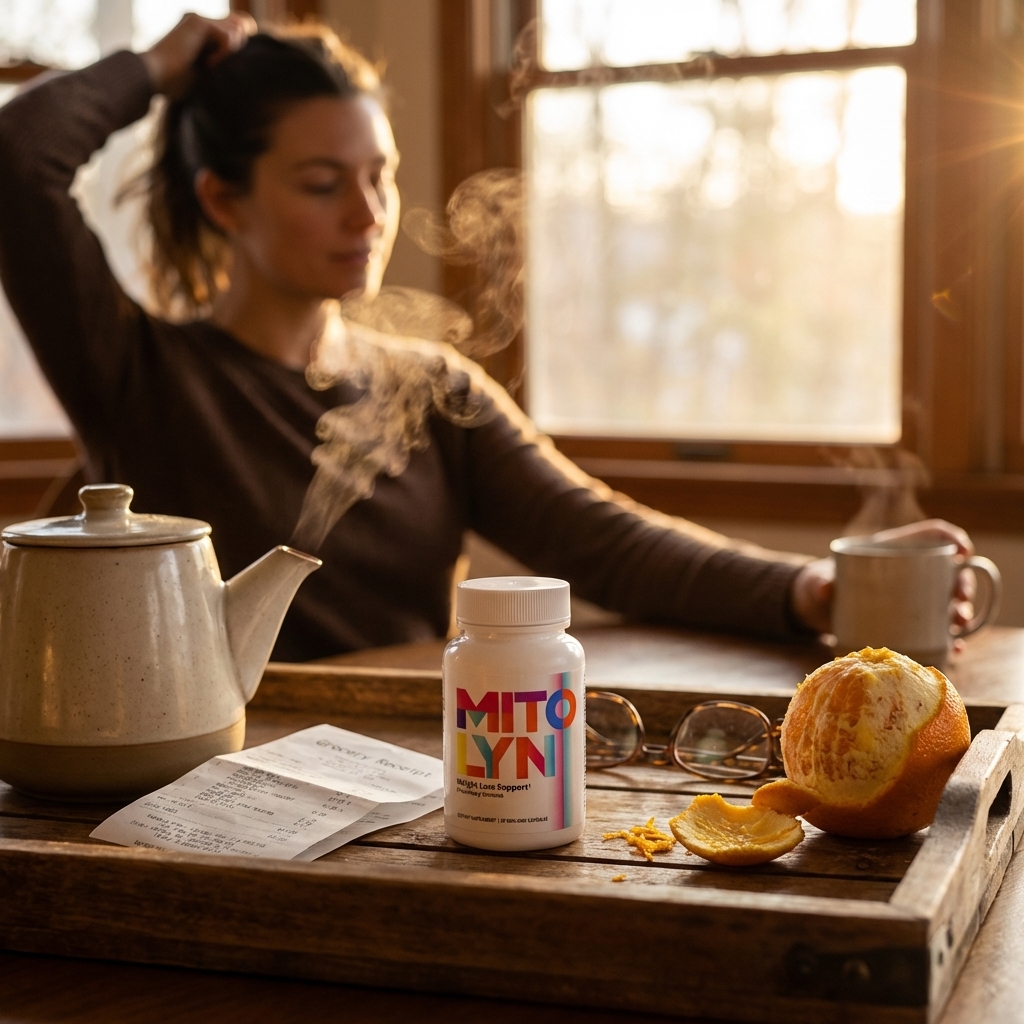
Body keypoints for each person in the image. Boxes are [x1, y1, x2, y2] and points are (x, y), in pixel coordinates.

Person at [0, 14, 975, 661]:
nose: (369, 213)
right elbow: (20, 155)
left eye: (378, 174)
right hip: (212, 802)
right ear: (223, 198)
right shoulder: (137, 376)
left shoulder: (433, 389)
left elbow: (606, 542)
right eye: (320, 182)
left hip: (408, 784)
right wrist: (164, 64)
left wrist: (812, 586)